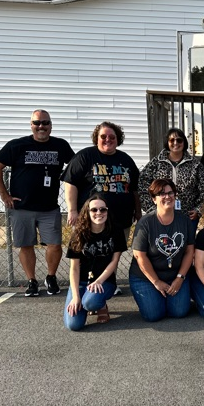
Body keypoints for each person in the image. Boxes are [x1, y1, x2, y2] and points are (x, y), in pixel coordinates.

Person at [0, 109, 75, 297]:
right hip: (21, 208)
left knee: (54, 245)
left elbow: (76, 166)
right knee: (26, 245)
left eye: (45, 123)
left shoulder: (60, 146)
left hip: (49, 207)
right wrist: (4, 195)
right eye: (37, 123)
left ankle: (51, 277)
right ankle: (32, 281)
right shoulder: (17, 145)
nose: (41, 127)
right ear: (31, 125)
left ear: (51, 125)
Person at [63, 121, 140, 295]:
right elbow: (70, 183)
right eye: (103, 136)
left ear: (118, 139)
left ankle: (107, 284)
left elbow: (134, 189)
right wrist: (72, 210)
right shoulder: (85, 156)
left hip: (120, 219)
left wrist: (138, 211)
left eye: (112, 137)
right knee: (88, 253)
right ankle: (84, 284)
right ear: (96, 138)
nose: (107, 140)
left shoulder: (126, 160)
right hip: (92, 218)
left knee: (112, 252)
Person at [129, 178, 195, 321]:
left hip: (175, 275)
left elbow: (190, 252)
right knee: (154, 315)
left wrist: (180, 278)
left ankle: (168, 297)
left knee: (179, 312)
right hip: (146, 277)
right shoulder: (145, 223)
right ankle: (156, 296)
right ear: (154, 199)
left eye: (170, 193)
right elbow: (140, 256)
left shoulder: (184, 221)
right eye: (161, 194)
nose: (167, 197)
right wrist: (156, 282)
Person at [63, 195, 127, 331]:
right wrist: (75, 297)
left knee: (90, 302)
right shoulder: (78, 235)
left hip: (104, 282)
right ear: (87, 212)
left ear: (107, 211)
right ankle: (85, 302)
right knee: (73, 325)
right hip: (81, 282)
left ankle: (98, 304)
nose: (99, 213)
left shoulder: (116, 232)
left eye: (103, 209)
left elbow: (114, 262)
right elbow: (74, 269)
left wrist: (98, 281)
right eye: (94, 210)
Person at [138, 127, 204, 233]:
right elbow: (142, 185)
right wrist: (151, 209)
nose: (175, 143)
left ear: (184, 142)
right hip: (161, 216)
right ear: (167, 143)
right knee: (163, 245)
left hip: (187, 217)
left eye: (179, 140)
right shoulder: (156, 162)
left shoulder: (195, 164)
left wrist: (198, 210)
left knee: (186, 246)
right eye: (172, 140)